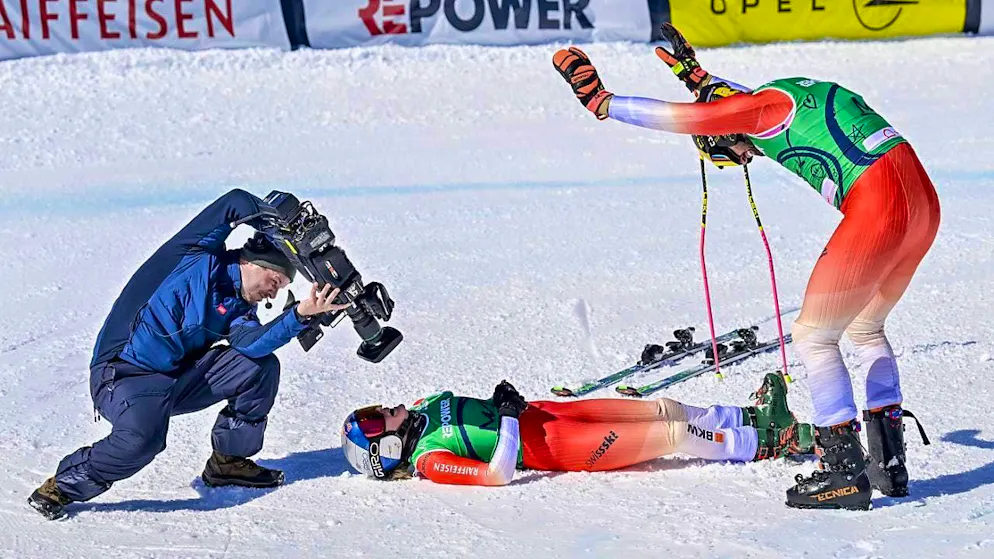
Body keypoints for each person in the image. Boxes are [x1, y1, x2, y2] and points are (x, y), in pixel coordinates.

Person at [551, 25, 939, 510]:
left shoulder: (753, 114)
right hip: (924, 204)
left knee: (815, 336)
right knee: (865, 329)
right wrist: (696, 75)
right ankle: (890, 465)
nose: (748, 154)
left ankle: (843, 471)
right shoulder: (780, 97)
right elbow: (730, 102)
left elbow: (691, 117)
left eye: (735, 152)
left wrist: (604, 103)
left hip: (881, 206)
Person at [28, 189, 351, 520]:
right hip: (124, 375)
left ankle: (229, 463)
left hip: (175, 382)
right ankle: (63, 485)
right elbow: (235, 202)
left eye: (281, 287)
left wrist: (300, 314)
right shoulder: (194, 255)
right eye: (275, 279)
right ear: (251, 261)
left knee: (259, 366)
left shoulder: (239, 310)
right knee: (143, 441)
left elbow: (252, 344)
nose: (274, 291)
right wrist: (281, 225)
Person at [340, 374, 814, 485]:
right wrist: (506, 416)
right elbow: (497, 474)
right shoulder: (429, 460)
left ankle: (750, 417)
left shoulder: (423, 406)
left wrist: (509, 404)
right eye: (375, 420)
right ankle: (768, 442)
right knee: (670, 436)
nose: (382, 409)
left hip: (551, 415)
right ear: (387, 447)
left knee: (663, 408)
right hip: (557, 448)